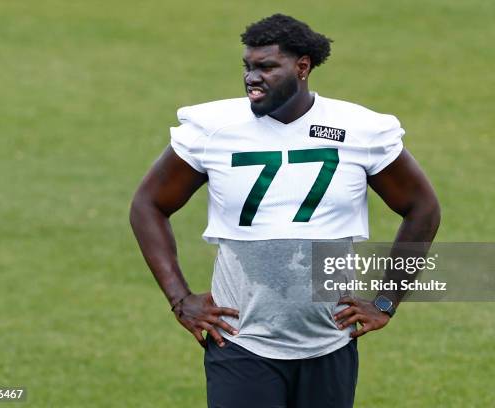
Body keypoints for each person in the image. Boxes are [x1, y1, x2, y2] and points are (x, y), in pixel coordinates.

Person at [130, 13, 440, 408]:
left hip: (329, 345)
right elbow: (148, 204)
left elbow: (422, 207)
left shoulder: (360, 129)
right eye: (247, 66)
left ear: (303, 67)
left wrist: (386, 301)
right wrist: (179, 298)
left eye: (266, 67)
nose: (251, 78)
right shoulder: (212, 129)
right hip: (240, 343)